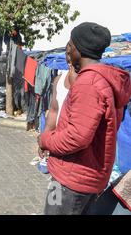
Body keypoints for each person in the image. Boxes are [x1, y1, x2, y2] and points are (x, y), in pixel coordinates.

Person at [38, 22, 131, 215]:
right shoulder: (103, 80)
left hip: (71, 180)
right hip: (84, 176)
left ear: (79, 50)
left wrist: (45, 140)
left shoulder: (88, 84)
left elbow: (77, 137)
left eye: (71, 44)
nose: (68, 48)